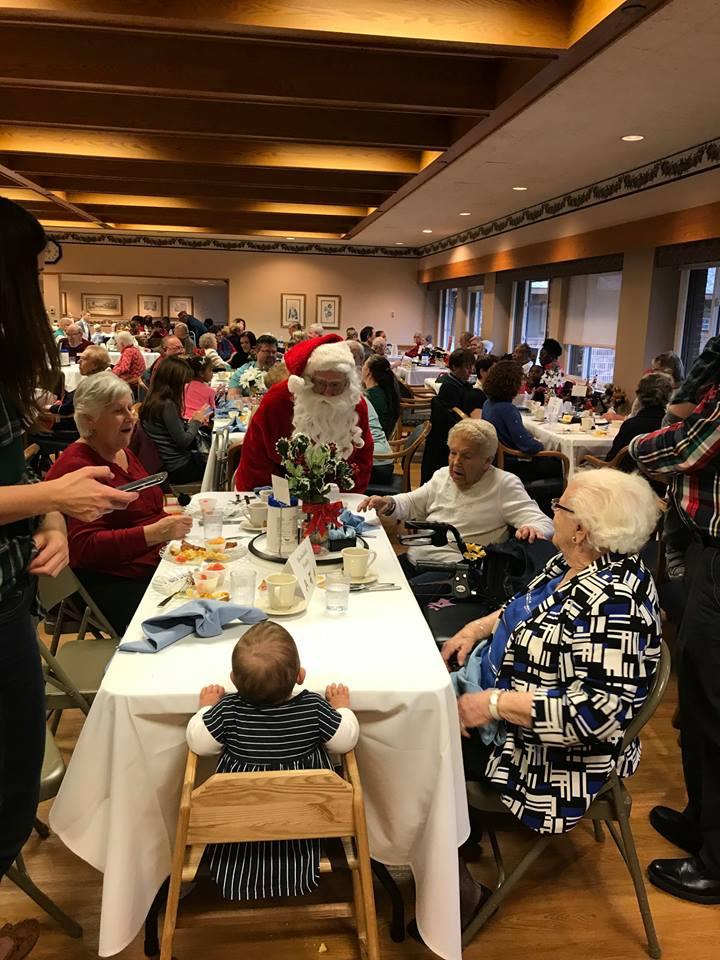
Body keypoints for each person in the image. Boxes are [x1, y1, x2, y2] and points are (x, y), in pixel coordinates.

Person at [0, 199, 138, 947]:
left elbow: (11, 469)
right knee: (10, 783)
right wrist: (54, 495)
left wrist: (47, 513)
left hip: (12, 592)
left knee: (14, 781)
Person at [441, 468, 662, 927]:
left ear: (582, 528)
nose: (549, 513)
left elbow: (595, 716)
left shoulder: (614, 605)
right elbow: (523, 606)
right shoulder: (572, 562)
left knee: (422, 747)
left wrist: (491, 705)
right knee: (426, 710)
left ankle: (459, 890)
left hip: (552, 755)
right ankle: (461, 835)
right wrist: (476, 628)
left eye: (558, 507)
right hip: (499, 693)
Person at [186, 622, 359, 900]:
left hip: (240, 824)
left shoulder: (228, 711)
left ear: (232, 679)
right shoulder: (314, 708)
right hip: (306, 822)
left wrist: (206, 706)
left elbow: (198, 741)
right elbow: (345, 740)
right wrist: (342, 708)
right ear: (300, 676)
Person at [630, 384, 720, 904]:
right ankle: (701, 822)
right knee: (699, 700)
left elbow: (681, 449)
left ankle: (718, 858)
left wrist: (641, 444)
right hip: (709, 553)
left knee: (714, 705)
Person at [46, 374, 193, 634]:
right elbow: (84, 547)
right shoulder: (77, 467)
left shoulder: (119, 450)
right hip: (111, 581)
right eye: (118, 411)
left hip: (151, 563)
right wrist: (154, 533)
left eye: (130, 408)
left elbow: (144, 507)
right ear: (90, 420)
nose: (130, 417)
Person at [360, 419, 552, 576]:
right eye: (453, 453)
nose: (456, 462)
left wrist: (532, 528)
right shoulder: (442, 475)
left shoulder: (504, 484)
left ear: (487, 461)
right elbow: (411, 502)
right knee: (368, 577)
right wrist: (388, 503)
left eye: (466, 457)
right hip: (420, 557)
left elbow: (543, 522)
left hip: (459, 568)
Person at [235, 334, 373, 492]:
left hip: (337, 495)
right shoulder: (277, 400)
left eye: (336, 385)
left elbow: (362, 459)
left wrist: (339, 501)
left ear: (348, 383)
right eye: (320, 383)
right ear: (306, 380)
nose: (327, 392)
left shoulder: (354, 404)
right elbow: (255, 459)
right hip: (277, 492)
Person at [140, 356, 211, 484]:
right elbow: (183, 441)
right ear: (175, 383)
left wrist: (190, 423)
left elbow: (170, 433)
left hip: (169, 462)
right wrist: (196, 421)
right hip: (179, 467)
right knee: (219, 467)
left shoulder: (153, 400)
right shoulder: (167, 405)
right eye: (183, 383)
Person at [421, 348, 485, 483]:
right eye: (467, 368)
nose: (470, 371)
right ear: (455, 367)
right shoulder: (450, 388)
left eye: (471, 367)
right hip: (445, 441)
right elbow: (450, 419)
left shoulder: (458, 383)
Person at [604, 372, 673, 464]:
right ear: (668, 397)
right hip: (657, 476)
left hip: (625, 475)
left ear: (639, 396)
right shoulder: (671, 427)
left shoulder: (631, 425)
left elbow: (611, 459)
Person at [481, 360, 544, 458]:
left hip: (495, 456)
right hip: (511, 460)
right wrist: (543, 445)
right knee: (556, 462)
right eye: (521, 379)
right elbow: (526, 445)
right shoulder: (508, 409)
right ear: (511, 383)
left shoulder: (487, 403)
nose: (524, 382)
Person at [228, 334, 278, 398]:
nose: (271, 355)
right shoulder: (243, 371)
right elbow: (231, 396)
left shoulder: (281, 372)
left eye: (273, 352)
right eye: (267, 351)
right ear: (257, 351)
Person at [362, 355, 400, 439]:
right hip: (381, 436)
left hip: (373, 439)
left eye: (363, 365)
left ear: (368, 371)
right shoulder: (385, 390)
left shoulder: (371, 396)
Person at [183, 355, 217, 420]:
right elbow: (213, 410)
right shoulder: (210, 391)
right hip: (200, 422)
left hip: (185, 419)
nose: (212, 373)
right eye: (210, 371)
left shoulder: (186, 386)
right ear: (201, 373)